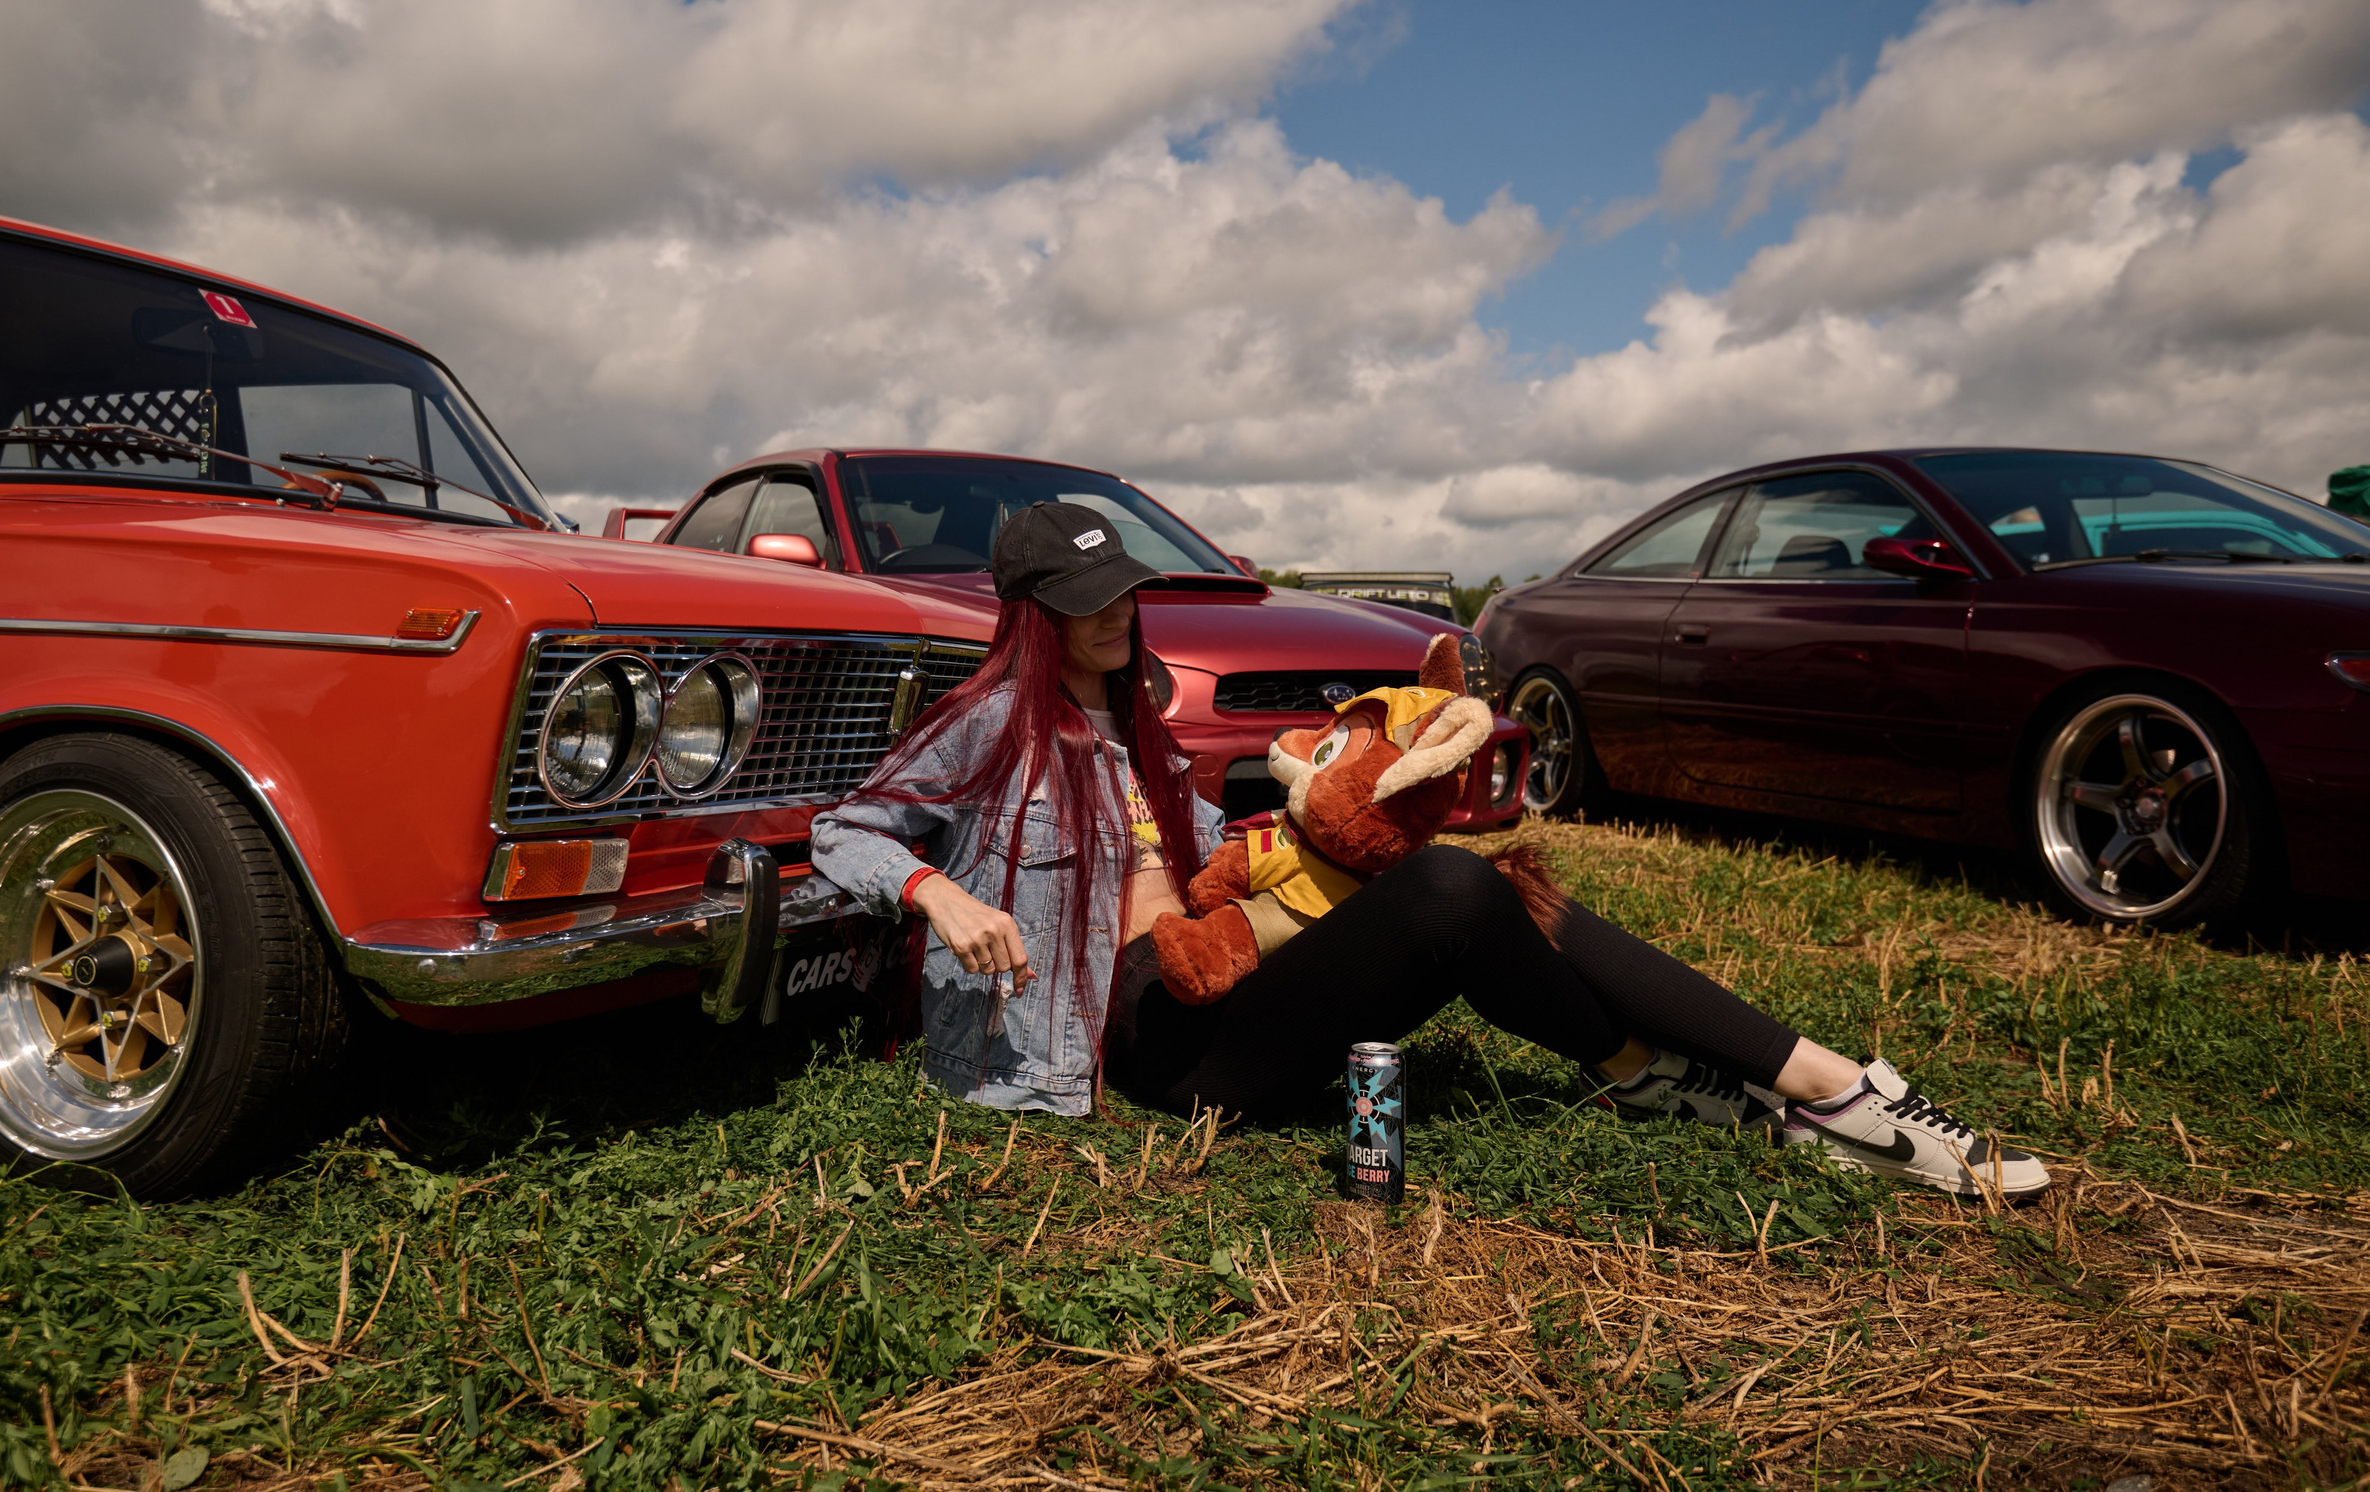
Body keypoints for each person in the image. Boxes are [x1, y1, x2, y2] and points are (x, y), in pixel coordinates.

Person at [810, 503, 2047, 1200]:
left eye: (1127, 596)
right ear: (1036, 615)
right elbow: (842, 830)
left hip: (1229, 974)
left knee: (1467, 882)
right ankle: (1806, 1086)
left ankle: (1793, 1078)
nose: (1120, 619)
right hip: (1145, 1039)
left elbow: (1218, 865)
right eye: (1093, 605)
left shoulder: (1133, 724)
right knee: (1457, 884)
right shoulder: (987, 722)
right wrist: (937, 892)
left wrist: (1326, 813)